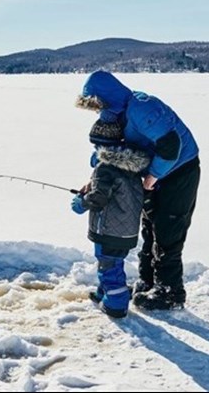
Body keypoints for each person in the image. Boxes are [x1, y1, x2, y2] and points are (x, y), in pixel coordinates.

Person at [76, 70, 200, 310]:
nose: (95, 109)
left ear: (106, 96)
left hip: (180, 171)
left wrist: (152, 177)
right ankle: (147, 281)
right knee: (149, 227)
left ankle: (170, 292)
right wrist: (95, 178)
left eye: (96, 103)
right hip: (154, 173)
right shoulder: (114, 112)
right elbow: (110, 151)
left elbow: (170, 146)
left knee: (168, 231)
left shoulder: (142, 107)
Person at [71, 119, 151, 318]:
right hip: (126, 230)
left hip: (108, 231)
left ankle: (116, 304)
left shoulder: (104, 168)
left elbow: (98, 198)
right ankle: (104, 292)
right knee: (112, 263)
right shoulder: (131, 166)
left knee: (109, 267)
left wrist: (80, 203)